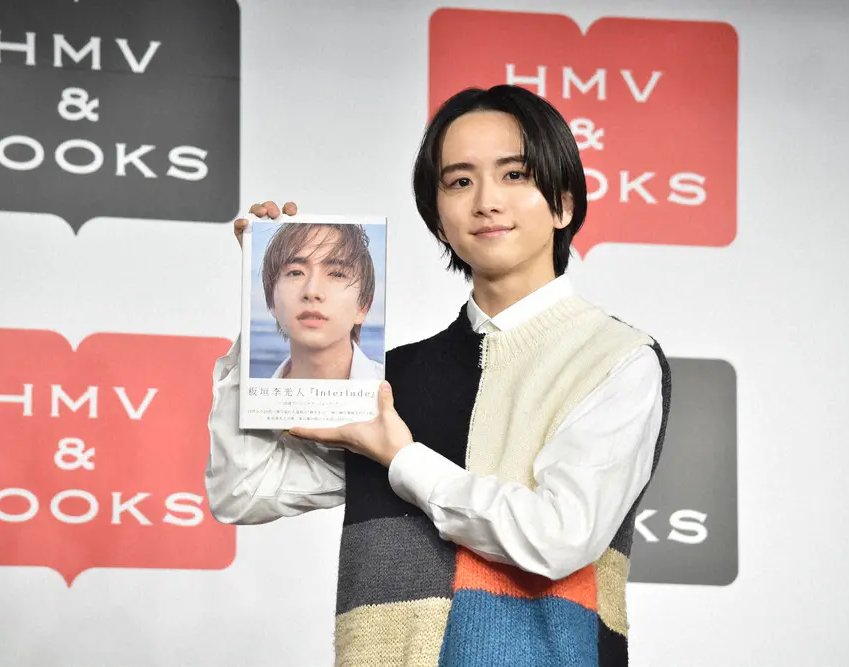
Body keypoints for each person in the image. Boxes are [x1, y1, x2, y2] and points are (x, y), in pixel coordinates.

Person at [206, 84, 671, 666]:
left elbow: (558, 537)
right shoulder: (392, 378)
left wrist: (402, 459)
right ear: (439, 221)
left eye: (515, 175)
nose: (486, 201)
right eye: (459, 182)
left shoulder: (615, 357)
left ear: (563, 204)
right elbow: (243, 491)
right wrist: (262, 312)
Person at [258, 221, 382, 380]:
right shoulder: (244, 391)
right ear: (271, 299)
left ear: (363, 307)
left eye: (337, 274)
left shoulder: (397, 387)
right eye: (296, 273)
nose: (312, 292)